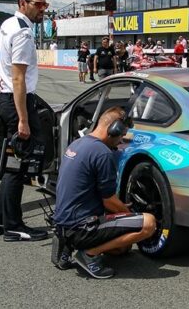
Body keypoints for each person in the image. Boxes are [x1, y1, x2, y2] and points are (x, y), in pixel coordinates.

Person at [53, 107, 156, 278]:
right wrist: (129, 213)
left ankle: (67, 245)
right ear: (114, 130)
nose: (121, 140)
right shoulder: (102, 153)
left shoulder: (77, 144)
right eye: (122, 135)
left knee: (122, 248)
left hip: (63, 224)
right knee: (148, 223)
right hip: (82, 228)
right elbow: (108, 200)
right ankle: (89, 254)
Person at [0, 0, 50, 242]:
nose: (43, 9)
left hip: (5, 99)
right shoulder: (23, 33)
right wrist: (23, 119)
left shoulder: (7, 24)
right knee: (18, 167)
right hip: (17, 101)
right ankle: (13, 226)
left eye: (45, 4)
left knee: (12, 165)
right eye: (38, 4)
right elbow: (19, 78)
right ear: (23, 3)